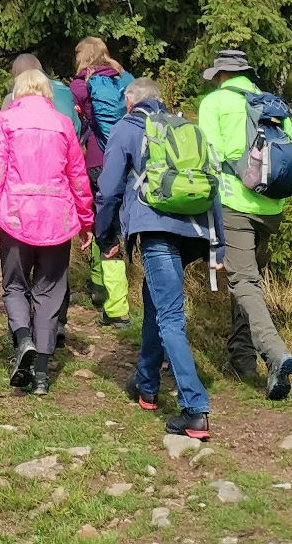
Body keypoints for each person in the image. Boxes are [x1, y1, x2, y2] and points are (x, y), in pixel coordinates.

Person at [94, 78, 224, 441]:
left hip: (157, 231)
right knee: (156, 304)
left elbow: (107, 191)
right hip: (194, 231)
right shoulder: (185, 128)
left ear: (131, 102)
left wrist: (105, 236)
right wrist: (220, 244)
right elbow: (212, 183)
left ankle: (195, 409)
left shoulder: (127, 127)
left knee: (169, 316)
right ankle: (147, 386)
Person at [196, 47, 292, 400]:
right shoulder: (270, 103)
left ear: (219, 75)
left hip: (233, 203)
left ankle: (275, 354)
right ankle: (241, 360)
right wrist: (274, 196)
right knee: (247, 279)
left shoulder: (214, 103)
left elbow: (207, 158)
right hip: (271, 208)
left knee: (243, 281)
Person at [0, 68, 94, 395]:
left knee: (15, 285)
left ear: (18, 91)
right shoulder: (62, 124)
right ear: (47, 92)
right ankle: (42, 375)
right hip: (57, 219)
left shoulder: (7, 121)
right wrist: (86, 221)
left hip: (16, 216)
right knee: (49, 292)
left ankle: (23, 340)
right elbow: (78, 175)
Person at [72, 38, 134, 325]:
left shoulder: (80, 86)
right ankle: (104, 291)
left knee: (104, 229)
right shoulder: (126, 80)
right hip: (129, 161)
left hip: (97, 161)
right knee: (113, 227)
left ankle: (115, 307)